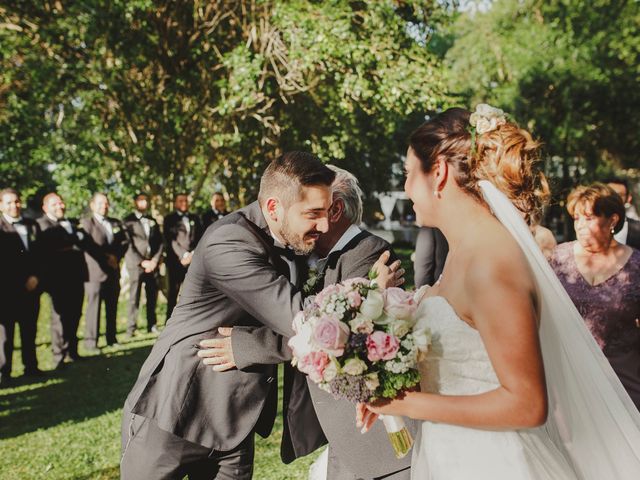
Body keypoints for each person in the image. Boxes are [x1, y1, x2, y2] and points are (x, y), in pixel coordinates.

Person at [358, 106, 640, 479]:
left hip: (495, 463)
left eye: (410, 173)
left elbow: (527, 403)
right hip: (451, 455)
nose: (407, 188)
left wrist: (408, 403)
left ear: (438, 173)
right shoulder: (464, 251)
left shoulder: (492, 262)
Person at [120, 152, 403, 479]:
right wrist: (368, 290)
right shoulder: (228, 242)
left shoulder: (295, 238)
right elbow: (302, 318)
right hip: (176, 411)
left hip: (238, 421)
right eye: (314, 214)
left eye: (327, 213)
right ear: (273, 208)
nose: (325, 226)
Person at [199, 165, 413, 480]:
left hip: (371, 432)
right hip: (339, 427)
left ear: (336, 209)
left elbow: (332, 332)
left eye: (315, 208)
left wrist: (248, 345)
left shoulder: (370, 253)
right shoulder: (308, 254)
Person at [550, 183, 640, 409]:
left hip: (623, 381)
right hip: (570, 380)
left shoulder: (636, 266)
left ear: (613, 220)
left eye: (589, 218)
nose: (580, 226)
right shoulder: (559, 258)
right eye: (576, 218)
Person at [37, 193, 95, 368]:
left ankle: (72, 351)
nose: (60, 206)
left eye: (61, 203)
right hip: (58, 279)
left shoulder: (71, 223)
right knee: (59, 317)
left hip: (77, 276)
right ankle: (59, 356)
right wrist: (73, 242)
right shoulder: (42, 225)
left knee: (75, 314)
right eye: (54, 204)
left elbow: (84, 243)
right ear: (45, 208)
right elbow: (50, 248)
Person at [0, 188, 42, 380]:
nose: (14, 205)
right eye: (8, 202)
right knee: (5, 335)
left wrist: (36, 276)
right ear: (1, 205)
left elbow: (42, 255)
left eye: (16, 201)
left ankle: (31, 367)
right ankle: (4, 372)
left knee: (29, 329)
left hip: (31, 287)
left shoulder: (32, 225)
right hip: (7, 290)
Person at [81, 192, 129, 352]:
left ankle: (111, 338)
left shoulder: (115, 223)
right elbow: (88, 245)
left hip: (113, 271)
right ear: (92, 205)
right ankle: (91, 342)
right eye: (101, 203)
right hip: (95, 272)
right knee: (93, 307)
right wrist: (105, 258)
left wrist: (117, 257)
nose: (104, 206)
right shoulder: (87, 222)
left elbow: (125, 241)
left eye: (107, 203)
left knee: (112, 306)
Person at [123, 193, 163, 336]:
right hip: (136, 265)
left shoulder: (152, 220)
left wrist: (154, 260)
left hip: (152, 265)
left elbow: (160, 242)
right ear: (135, 202)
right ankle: (131, 328)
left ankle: (151, 324)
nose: (143, 202)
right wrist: (142, 261)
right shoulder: (127, 220)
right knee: (134, 297)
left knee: (152, 296)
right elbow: (128, 244)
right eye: (140, 200)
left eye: (146, 200)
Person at [163, 193, 202, 321]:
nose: (184, 203)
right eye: (180, 201)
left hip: (193, 261)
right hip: (175, 261)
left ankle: (191, 320)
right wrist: (183, 255)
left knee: (193, 292)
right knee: (172, 293)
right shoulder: (169, 219)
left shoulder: (195, 218)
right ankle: (169, 321)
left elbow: (200, 237)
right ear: (175, 203)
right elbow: (170, 240)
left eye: (185, 200)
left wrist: (192, 255)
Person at [605, 177, 640, 249]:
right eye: (609, 194)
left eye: (619, 195)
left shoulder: (638, 229)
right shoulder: (587, 226)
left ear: (628, 198)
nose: (613, 198)